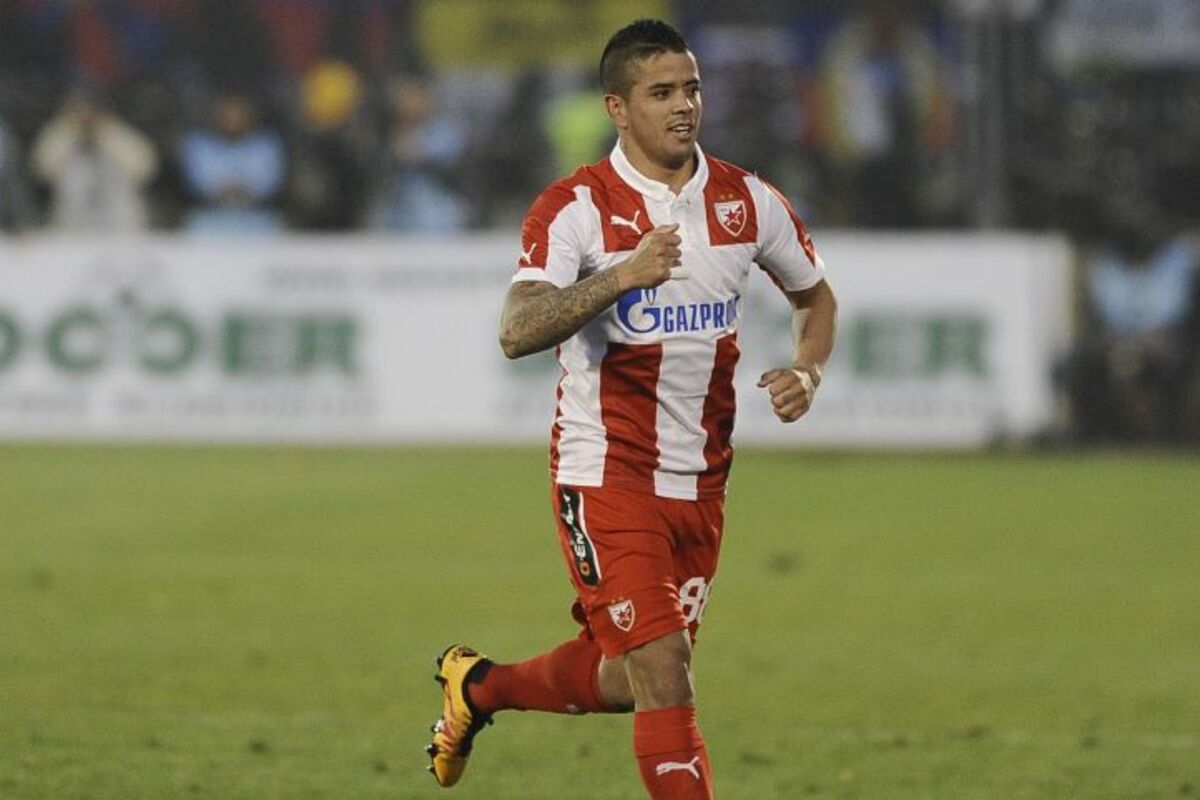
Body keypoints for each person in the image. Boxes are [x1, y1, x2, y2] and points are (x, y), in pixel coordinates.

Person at [425, 19, 837, 800]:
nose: (684, 106)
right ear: (617, 108)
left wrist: (808, 372)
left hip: (700, 483)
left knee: (630, 678)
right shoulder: (577, 207)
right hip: (606, 473)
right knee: (665, 669)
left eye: (692, 90)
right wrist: (620, 276)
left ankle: (478, 688)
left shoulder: (748, 202)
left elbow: (815, 297)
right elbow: (516, 330)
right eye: (662, 93)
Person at [31, 90, 159, 232]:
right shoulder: (64, 133)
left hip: (122, 225)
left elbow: (143, 169)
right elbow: (43, 168)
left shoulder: (115, 133)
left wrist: (106, 131)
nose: (87, 116)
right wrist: (68, 129)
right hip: (70, 225)